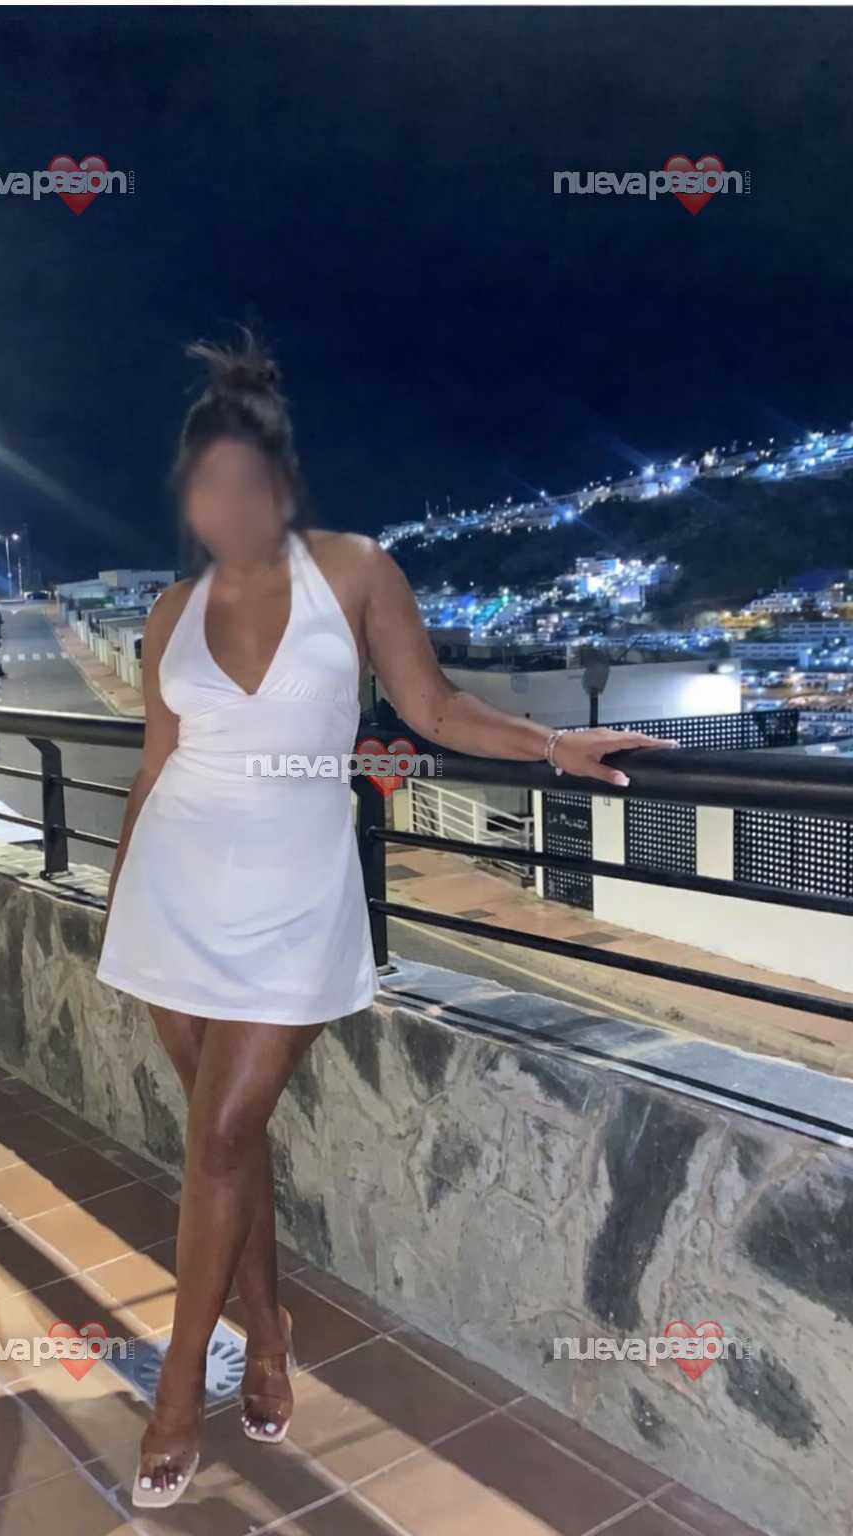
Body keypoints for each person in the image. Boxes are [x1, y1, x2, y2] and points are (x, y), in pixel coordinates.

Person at [95, 329, 666, 1509]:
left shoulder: (354, 573)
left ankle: (177, 1393)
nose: (225, 503)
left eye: (246, 479)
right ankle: (264, 1332)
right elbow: (156, 764)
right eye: (205, 483)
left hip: (295, 895)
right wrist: (115, 896)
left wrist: (551, 743)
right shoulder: (168, 611)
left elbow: (433, 708)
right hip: (172, 891)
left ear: (283, 482)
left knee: (219, 1135)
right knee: (222, 1140)